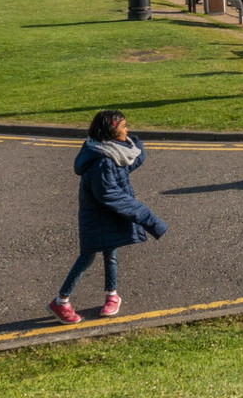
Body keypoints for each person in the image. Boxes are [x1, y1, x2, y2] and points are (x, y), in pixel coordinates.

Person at [48, 110, 167, 325]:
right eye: (123, 127)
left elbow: (126, 165)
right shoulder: (103, 161)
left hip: (108, 218)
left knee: (111, 253)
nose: (127, 130)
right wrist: (149, 219)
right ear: (111, 132)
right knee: (86, 257)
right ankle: (61, 300)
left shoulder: (109, 151)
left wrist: (138, 147)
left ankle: (112, 295)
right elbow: (110, 194)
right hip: (98, 219)